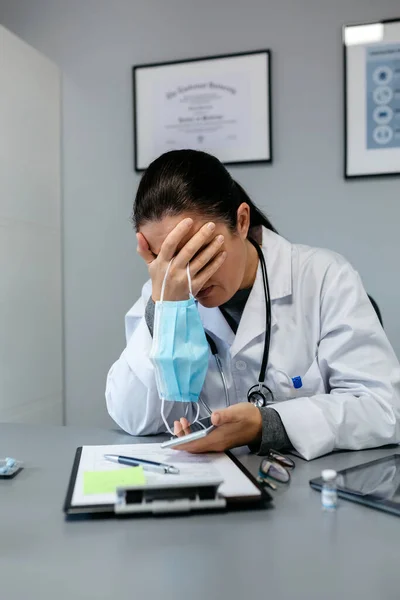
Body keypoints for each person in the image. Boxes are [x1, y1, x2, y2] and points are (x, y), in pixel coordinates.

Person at [106, 149, 400, 460]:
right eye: (169, 259)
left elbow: (383, 409)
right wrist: (165, 310)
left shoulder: (323, 278)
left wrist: (269, 425)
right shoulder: (163, 297)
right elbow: (132, 416)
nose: (189, 276)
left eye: (198, 252)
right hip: (210, 484)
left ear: (241, 221)